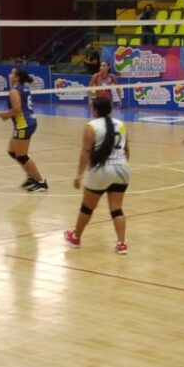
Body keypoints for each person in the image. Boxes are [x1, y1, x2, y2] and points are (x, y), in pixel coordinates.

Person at [64, 97, 129, 253]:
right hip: (122, 169)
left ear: (95, 110)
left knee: (87, 207)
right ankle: (121, 244)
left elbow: (86, 152)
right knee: (116, 209)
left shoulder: (91, 126)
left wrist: (79, 174)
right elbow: (127, 150)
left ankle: (76, 237)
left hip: (101, 170)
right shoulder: (121, 124)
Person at [0, 68, 47, 192]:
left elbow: (17, 109)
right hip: (26, 123)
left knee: (22, 156)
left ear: (17, 77)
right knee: (12, 152)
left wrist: (5, 115)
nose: (9, 75)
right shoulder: (23, 88)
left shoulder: (15, 90)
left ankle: (41, 182)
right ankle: (31, 177)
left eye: (12, 73)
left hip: (24, 125)